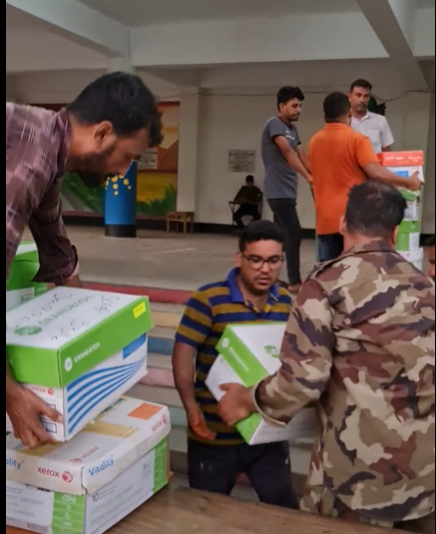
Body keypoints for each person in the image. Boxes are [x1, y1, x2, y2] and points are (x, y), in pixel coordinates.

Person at [219, 182, 435, 534]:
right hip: (426, 475)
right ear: (395, 232)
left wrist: (245, 398)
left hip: (358, 479)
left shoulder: (326, 283)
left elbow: (301, 381)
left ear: (342, 223)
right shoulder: (425, 284)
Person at [6, 72, 162, 449]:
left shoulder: (48, 147)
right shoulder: (29, 167)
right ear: (103, 133)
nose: (123, 171)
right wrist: (12, 394)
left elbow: (59, 255)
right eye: (128, 157)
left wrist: (99, 351)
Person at [172, 221, 297, 509]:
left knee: (284, 510)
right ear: (239, 258)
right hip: (214, 435)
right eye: (255, 259)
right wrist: (191, 410)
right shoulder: (208, 300)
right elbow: (183, 353)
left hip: (269, 434)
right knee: (206, 513)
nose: (265, 269)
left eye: (273, 260)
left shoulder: (288, 304)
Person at [309, 92, 423, 262]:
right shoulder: (357, 140)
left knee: (329, 277)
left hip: (323, 221)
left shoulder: (314, 141)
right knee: (354, 275)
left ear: (325, 115)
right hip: (352, 222)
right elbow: (376, 172)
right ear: (349, 113)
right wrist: (408, 182)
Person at [261, 86, 313, 295]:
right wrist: (308, 177)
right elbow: (288, 152)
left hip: (288, 191)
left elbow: (301, 155)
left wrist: (317, 174)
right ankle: (294, 282)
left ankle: (268, 274)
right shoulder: (274, 124)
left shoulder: (292, 130)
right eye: (294, 106)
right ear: (281, 106)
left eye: (299, 106)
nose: (298, 110)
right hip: (277, 190)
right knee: (293, 232)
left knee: (277, 237)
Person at [349, 79, 394, 154]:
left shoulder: (380, 120)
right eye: (358, 95)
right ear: (349, 97)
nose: (362, 100)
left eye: (366, 96)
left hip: (375, 164)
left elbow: (386, 150)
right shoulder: (341, 121)